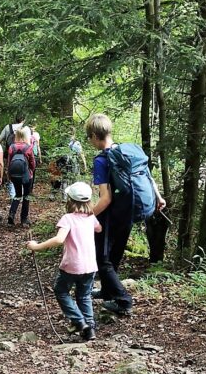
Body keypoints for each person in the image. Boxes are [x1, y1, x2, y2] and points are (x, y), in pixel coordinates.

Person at [85, 113, 165, 317]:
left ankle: (123, 300)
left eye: (89, 137)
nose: (90, 141)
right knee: (115, 252)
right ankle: (106, 291)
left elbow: (105, 199)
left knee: (101, 258)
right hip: (129, 210)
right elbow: (147, 175)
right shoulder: (128, 152)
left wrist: (86, 217)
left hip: (113, 213)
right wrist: (158, 197)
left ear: (95, 136)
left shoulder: (102, 160)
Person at [27, 181, 102, 341]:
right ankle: (89, 329)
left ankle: (79, 322)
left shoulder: (68, 218)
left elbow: (60, 239)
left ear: (70, 200)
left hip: (72, 265)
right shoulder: (91, 218)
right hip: (90, 265)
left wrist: (36, 246)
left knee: (61, 291)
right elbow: (99, 228)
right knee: (84, 295)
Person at [6, 126, 35, 226]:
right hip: (26, 175)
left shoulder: (11, 147)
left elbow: (9, 162)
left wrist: (9, 174)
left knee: (18, 195)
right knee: (26, 196)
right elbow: (32, 163)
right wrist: (31, 170)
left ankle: (12, 214)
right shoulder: (28, 147)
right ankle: (24, 219)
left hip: (14, 175)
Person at [0, 112, 25, 199]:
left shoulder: (7, 127)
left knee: (10, 173)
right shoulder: (25, 128)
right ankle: (21, 193)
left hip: (9, 154)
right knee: (22, 172)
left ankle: (13, 195)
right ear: (23, 120)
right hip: (22, 154)